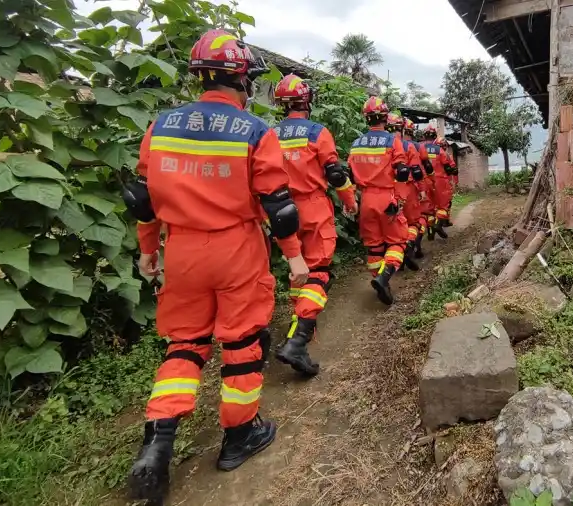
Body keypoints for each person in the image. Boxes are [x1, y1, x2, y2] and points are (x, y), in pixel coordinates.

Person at [122, 30, 308, 504]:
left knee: (185, 343)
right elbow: (278, 205)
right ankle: (239, 435)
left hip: (181, 250)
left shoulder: (161, 126)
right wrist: (294, 256)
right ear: (242, 78)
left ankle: (157, 442)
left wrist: (149, 249)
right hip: (235, 249)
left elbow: (142, 199)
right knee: (243, 341)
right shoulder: (253, 130)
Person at [271, 73, 358, 377]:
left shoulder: (268, 134)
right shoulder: (317, 132)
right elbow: (335, 175)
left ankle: (301, 329)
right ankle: (297, 340)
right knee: (319, 271)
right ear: (307, 100)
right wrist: (348, 200)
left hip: (279, 207)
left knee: (298, 270)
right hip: (312, 207)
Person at [347, 97, 410, 305]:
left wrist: (351, 202)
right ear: (385, 117)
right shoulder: (393, 142)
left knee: (374, 246)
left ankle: (379, 280)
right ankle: (385, 277)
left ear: (367, 119)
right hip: (386, 196)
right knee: (397, 241)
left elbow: (349, 176)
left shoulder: (356, 144)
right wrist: (399, 198)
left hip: (366, 200)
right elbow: (402, 172)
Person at [385, 113, 421, 270]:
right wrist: (423, 189)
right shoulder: (408, 146)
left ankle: (391, 263)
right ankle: (408, 248)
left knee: (391, 230)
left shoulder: (382, 145)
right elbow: (417, 171)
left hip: (386, 192)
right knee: (412, 223)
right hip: (407, 189)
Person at [417, 125, 452, 239]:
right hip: (439, 181)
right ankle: (438, 224)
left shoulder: (417, 147)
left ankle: (430, 232)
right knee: (443, 206)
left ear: (424, 135)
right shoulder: (439, 150)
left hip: (423, 181)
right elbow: (447, 167)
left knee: (428, 209)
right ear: (434, 136)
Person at [402, 118, 428, 259]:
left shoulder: (390, 144)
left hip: (390, 190)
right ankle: (413, 244)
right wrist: (425, 186)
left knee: (397, 223)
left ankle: (396, 258)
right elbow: (422, 169)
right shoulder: (416, 147)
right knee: (416, 220)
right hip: (413, 187)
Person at [436, 137, 459, 227]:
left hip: (432, 182)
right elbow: (453, 168)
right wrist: (455, 182)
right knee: (447, 202)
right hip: (445, 181)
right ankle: (443, 221)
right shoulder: (445, 155)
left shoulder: (431, 154)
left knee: (435, 203)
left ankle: (436, 222)